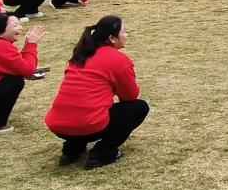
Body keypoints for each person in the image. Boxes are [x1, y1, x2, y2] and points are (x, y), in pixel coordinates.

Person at [44, 15, 150, 168]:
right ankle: (103, 153)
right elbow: (130, 96)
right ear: (112, 38)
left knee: (82, 110)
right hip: (89, 124)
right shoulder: (118, 59)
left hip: (58, 124)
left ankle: (72, 149)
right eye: (124, 32)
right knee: (138, 107)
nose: (127, 35)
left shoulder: (81, 54)